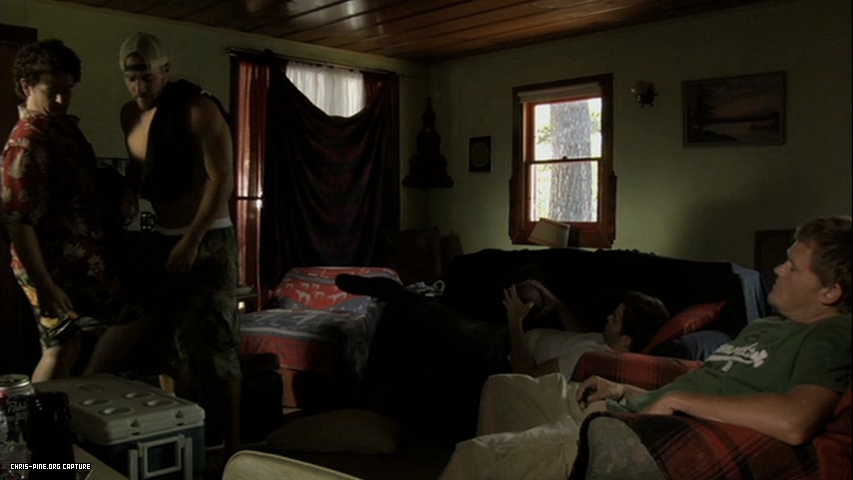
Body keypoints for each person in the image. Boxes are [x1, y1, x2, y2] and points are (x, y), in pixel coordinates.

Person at [439, 215, 852, 479]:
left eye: (793, 267)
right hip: (629, 405)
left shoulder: (830, 336)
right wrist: (625, 389)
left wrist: (677, 401)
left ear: (831, 291)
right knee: (502, 387)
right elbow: (707, 386)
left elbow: (796, 421)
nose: (778, 269)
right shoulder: (765, 327)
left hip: (643, 431)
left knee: (475, 457)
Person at [117, 32, 241, 453]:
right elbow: (140, 164)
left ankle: (234, 448)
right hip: (162, 237)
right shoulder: (129, 115)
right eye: (131, 78)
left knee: (216, 348)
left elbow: (222, 179)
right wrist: (129, 190)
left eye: (147, 77)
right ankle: (182, 440)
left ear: (166, 72)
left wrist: (191, 241)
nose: (139, 87)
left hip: (208, 237)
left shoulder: (198, 109)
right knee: (167, 348)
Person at [1, 39, 143, 382]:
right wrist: (45, 285)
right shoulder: (27, 142)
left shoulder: (61, 127)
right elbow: (18, 222)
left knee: (68, 344)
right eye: (53, 91)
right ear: (27, 86)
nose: (62, 99)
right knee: (65, 342)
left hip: (81, 260)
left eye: (68, 90)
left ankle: (76, 395)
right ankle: (72, 393)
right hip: (53, 266)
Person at [505, 280, 669, 378]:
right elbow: (582, 335)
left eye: (614, 319)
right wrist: (558, 305)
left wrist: (515, 320)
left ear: (626, 340)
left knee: (522, 292)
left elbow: (527, 374)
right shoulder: (611, 342)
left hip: (514, 347)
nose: (608, 318)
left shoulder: (586, 360)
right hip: (532, 330)